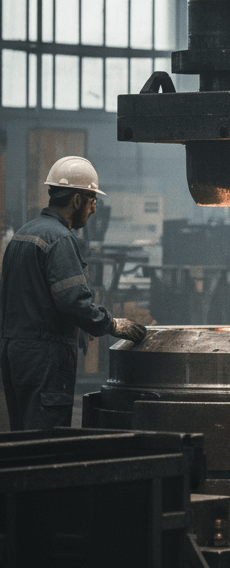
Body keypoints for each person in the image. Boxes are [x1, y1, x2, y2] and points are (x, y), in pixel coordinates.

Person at [0, 156, 147, 431]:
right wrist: (112, 324)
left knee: (21, 440)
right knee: (47, 440)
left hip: (13, 352)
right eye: (92, 201)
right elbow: (73, 301)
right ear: (77, 200)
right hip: (45, 356)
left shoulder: (22, 235)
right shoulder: (60, 240)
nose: (93, 210)